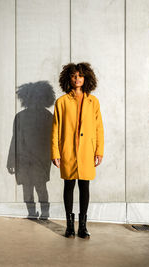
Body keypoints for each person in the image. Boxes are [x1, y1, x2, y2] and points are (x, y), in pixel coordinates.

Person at [51, 63, 104, 239]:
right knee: (68, 186)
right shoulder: (61, 102)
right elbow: (56, 129)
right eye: (74, 76)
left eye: (80, 76)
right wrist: (55, 153)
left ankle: (82, 227)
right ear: (68, 78)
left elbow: (99, 128)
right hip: (68, 150)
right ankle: (69, 227)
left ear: (86, 78)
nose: (77, 79)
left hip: (87, 151)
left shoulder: (93, 101)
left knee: (84, 186)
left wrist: (99, 151)